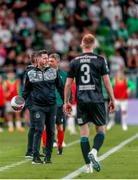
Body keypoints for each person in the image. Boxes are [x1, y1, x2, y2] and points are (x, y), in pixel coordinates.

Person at [64, 34, 115, 173]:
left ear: (82, 44)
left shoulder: (74, 61)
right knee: (100, 130)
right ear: (94, 45)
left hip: (81, 100)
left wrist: (66, 102)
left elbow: (68, 84)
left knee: (84, 132)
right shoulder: (100, 60)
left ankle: (88, 166)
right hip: (97, 99)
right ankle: (94, 151)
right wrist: (112, 99)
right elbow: (106, 81)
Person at [22, 50, 64, 164]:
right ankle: (35, 157)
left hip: (51, 106)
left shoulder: (53, 72)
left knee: (50, 131)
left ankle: (48, 156)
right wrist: (22, 102)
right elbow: (26, 91)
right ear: (38, 59)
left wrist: (66, 102)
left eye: (47, 58)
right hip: (37, 106)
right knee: (39, 129)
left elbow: (61, 88)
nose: (47, 60)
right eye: (44, 58)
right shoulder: (30, 73)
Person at [107, 66, 135, 131]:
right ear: (118, 74)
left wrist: (129, 89)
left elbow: (133, 85)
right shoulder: (114, 80)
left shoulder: (126, 80)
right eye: (119, 73)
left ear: (123, 74)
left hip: (124, 100)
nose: (120, 74)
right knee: (112, 112)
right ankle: (111, 121)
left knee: (124, 112)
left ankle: (124, 124)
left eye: (121, 73)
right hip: (116, 99)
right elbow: (110, 86)